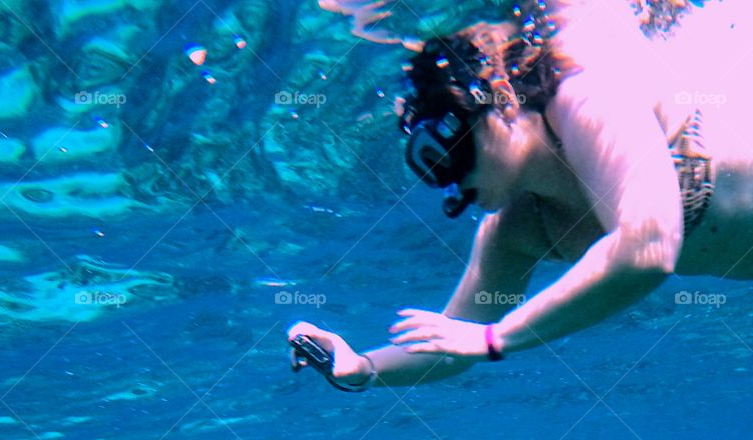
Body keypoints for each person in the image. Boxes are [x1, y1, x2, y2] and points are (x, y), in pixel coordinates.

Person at [288, 0, 752, 390]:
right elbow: (455, 344)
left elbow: (648, 248)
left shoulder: (587, 97)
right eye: (428, 167)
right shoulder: (517, 228)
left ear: (499, 101)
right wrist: (360, 368)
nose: (447, 177)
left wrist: (498, 339)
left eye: (442, 148)